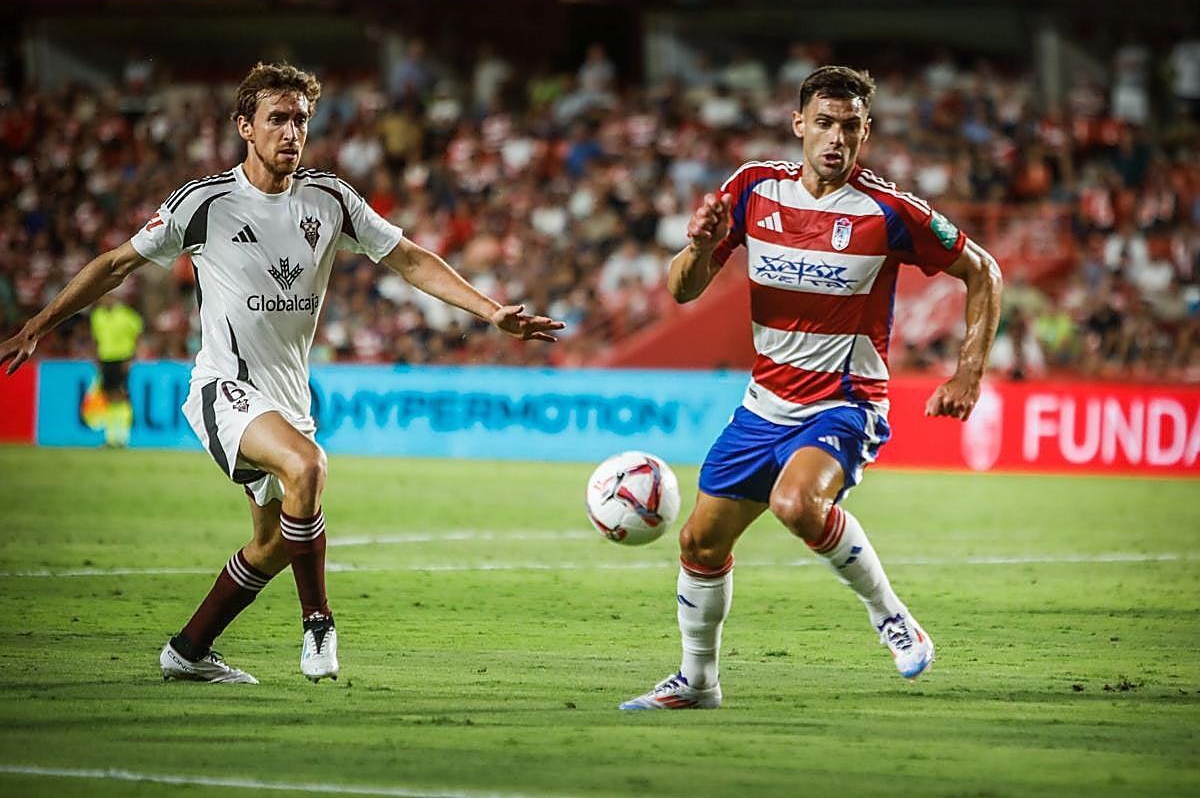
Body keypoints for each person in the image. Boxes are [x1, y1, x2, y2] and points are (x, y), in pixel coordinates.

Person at [0, 62, 563, 685]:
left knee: (271, 544)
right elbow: (113, 266)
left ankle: (188, 651)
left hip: (289, 399)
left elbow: (408, 259)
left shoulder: (331, 199)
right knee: (308, 465)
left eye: (300, 120)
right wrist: (38, 325)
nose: (291, 132)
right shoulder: (203, 204)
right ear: (245, 126)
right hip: (224, 388)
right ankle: (318, 622)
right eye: (277, 119)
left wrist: (490, 312)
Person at [620, 66, 1002, 710]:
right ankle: (698, 681)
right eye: (824, 123)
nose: (835, 138)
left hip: (845, 404)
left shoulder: (889, 211)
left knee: (798, 505)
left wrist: (968, 371)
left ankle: (892, 616)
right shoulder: (751, 190)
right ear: (799, 124)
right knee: (697, 543)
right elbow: (682, 289)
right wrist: (700, 246)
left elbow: (983, 271)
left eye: (850, 127)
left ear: (866, 133)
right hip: (762, 405)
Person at [89, 292, 143, 447]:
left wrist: (132, 357)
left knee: (121, 396)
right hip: (105, 359)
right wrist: (95, 357)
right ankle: (111, 437)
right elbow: (95, 338)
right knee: (110, 396)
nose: (106, 300)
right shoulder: (97, 315)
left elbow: (138, 333)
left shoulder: (126, 315)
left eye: (109, 297)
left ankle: (123, 437)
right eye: (104, 298)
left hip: (122, 359)